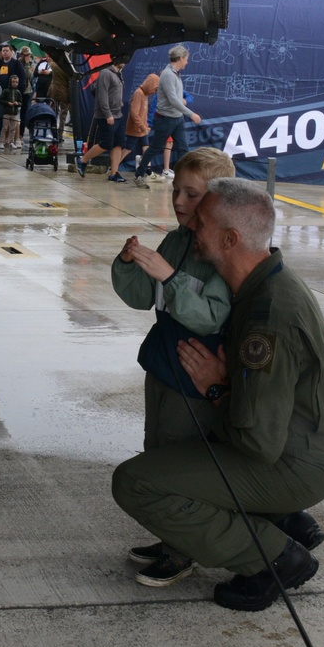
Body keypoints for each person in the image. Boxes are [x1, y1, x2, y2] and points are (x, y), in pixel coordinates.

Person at [111, 179, 324, 610]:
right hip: (287, 449)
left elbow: (258, 441)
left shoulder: (267, 316)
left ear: (230, 238)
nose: (191, 224)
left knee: (137, 483)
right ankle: (279, 520)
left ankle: (274, 557)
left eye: (202, 220)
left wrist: (217, 386)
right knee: (169, 457)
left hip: (287, 463)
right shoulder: (261, 285)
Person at [112, 147, 234, 468]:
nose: (178, 201)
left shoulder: (221, 255)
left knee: (175, 454)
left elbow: (210, 318)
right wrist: (128, 265)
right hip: (161, 367)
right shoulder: (176, 241)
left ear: (216, 200)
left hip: (193, 381)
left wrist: (169, 276)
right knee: (154, 441)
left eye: (191, 194)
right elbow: (143, 298)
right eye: (176, 190)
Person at [76, 59, 128, 182]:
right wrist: (108, 114)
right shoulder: (105, 73)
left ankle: (113, 173)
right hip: (106, 116)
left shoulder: (118, 73)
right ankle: (82, 160)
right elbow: (102, 96)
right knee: (105, 144)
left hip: (118, 115)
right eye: (123, 58)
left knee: (118, 145)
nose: (125, 61)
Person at [153, 45, 201, 176]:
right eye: (186, 59)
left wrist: (184, 102)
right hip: (166, 118)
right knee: (155, 148)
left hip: (177, 117)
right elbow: (173, 99)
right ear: (180, 58)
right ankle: (140, 173)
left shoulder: (176, 75)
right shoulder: (168, 74)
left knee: (183, 148)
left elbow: (178, 96)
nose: (187, 62)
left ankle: (183, 175)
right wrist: (191, 114)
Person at [126, 72, 160, 187]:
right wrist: (142, 126)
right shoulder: (138, 93)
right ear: (150, 84)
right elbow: (134, 113)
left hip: (142, 129)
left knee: (146, 148)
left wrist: (146, 126)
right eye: (154, 89)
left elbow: (143, 114)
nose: (154, 92)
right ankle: (113, 168)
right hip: (136, 129)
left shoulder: (145, 95)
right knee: (127, 149)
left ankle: (148, 170)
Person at [0, 43, 25, 148]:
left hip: (13, 95)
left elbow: (22, 78)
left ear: (11, 52)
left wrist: (18, 93)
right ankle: (0, 138)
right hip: (1, 94)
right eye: (3, 51)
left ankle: (14, 139)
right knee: (1, 116)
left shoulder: (16, 63)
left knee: (14, 120)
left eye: (7, 50)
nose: (5, 52)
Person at [48, 59, 71, 144]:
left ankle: (52, 133)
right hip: (64, 93)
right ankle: (60, 135)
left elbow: (53, 81)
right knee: (63, 115)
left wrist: (49, 92)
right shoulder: (68, 68)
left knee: (53, 113)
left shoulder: (54, 65)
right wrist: (70, 97)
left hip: (54, 92)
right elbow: (70, 83)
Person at [0, 73, 23, 150]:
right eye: (13, 82)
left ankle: (11, 142)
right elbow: (1, 100)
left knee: (13, 129)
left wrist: (17, 104)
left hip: (14, 113)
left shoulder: (18, 92)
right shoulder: (6, 91)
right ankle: (2, 142)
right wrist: (7, 103)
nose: (15, 83)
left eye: (16, 82)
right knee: (5, 128)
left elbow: (21, 102)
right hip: (7, 112)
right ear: (10, 82)